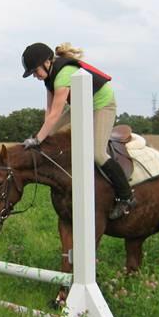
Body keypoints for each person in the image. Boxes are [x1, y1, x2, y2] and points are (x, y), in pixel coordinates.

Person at [20, 42, 136, 219]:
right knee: (48, 134)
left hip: (102, 104)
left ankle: (126, 196)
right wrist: (41, 136)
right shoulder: (49, 79)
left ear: (47, 62)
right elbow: (49, 113)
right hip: (81, 103)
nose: (35, 76)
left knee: (97, 153)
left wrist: (36, 139)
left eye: (35, 71)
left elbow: (55, 115)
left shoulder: (63, 75)